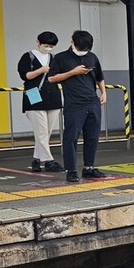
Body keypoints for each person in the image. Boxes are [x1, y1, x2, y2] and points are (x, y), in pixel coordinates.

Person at [47, 30, 107, 183]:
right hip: (74, 105)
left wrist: (103, 92)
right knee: (71, 138)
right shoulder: (61, 58)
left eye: (86, 49)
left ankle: (89, 168)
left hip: (93, 103)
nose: (83, 51)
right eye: (81, 48)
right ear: (72, 42)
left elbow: (99, 77)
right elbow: (52, 78)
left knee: (92, 137)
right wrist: (73, 72)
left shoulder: (92, 57)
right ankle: (71, 170)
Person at [17, 31, 63, 173]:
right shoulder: (28, 56)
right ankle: (49, 161)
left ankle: (36, 159)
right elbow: (25, 76)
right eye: (46, 45)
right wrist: (41, 70)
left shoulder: (53, 58)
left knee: (46, 132)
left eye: (51, 46)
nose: (48, 48)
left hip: (53, 96)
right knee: (41, 131)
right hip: (33, 94)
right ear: (38, 42)